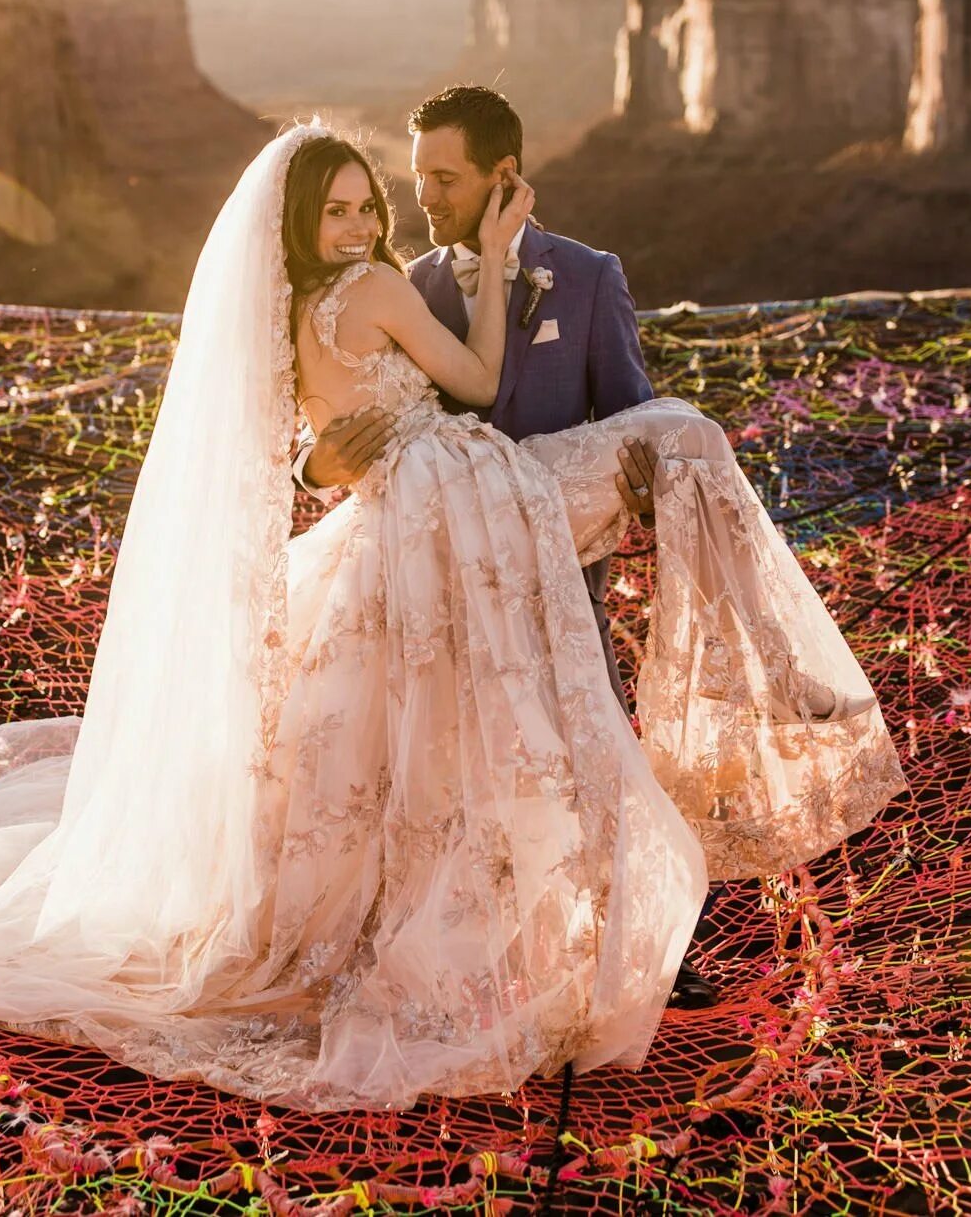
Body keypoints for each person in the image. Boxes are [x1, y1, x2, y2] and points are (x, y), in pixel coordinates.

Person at [0, 123, 903, 1113]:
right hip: (457, 497)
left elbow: (297, 456)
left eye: (373, 203)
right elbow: (470, 380)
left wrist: (325, 455)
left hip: (385, 523)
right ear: (305, 222)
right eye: (344, 209)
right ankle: (765, 706)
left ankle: (696, 748)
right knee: (684, 439)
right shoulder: (374, 290)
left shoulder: (279, 322)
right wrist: (500, 264)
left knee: (401, 739)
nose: (365, 225)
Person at [291, 85, 722, 1008]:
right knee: (466, 767)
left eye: (440, 180)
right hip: (445, 573)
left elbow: (630, 411)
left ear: (503, 178)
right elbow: (350, 400)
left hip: (561, 560)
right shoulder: (416, 284)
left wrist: (640, 484)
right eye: (412, 182)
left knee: (590, 734)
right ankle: (494, 960)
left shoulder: (590, 274)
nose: (420, 203)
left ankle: (653, 951)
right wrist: (313, 466)